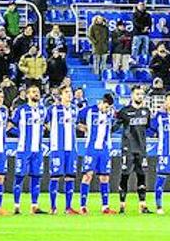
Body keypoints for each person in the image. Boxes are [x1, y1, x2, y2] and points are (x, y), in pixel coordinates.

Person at [114, 86, 153, 214]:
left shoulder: (146, 111)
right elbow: (115, 126)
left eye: (141, 94)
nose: (140, 96)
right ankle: (122, 206)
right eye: (137, 94)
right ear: (132, 96)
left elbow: (147, 127)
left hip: (141, 149)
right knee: (125, 175)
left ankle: (143, 205)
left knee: (141, 175)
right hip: (128, 148)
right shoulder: (124, 111)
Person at [9, 86, 48, 215]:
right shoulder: (21, 110)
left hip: (37, 150)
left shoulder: (43, 110)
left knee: (36, 177)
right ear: (27, 95)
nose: (36, 94)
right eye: (33, 92)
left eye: (37, 92)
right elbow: (10, 126)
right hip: (23, 149)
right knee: (19, 176)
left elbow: (48, 125)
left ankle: (34, 206)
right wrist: (20, 133)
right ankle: (16, 206)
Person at [78, 94, 117, 215]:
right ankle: (83, 206)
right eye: (105, 106)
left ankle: (105, 207)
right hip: (91, 149)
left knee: (104, 177)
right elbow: (76, 120)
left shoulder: (110, 113)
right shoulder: (88, 111)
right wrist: (83, 128)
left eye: (108, 107)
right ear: (100, 102)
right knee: (88, 175)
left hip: (105, 149)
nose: (106, 109)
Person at [46, 85, 80, 215]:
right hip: (57, 148)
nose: (69, 94)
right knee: (55, 177)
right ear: (60, 95)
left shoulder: (74, 109)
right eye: (66, 92)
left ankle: (68, 207)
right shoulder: (52, 109)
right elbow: (44, 122)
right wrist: (52, 131)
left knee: (70, 177)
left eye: (70, 92)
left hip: (71, 148)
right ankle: (53, 207)